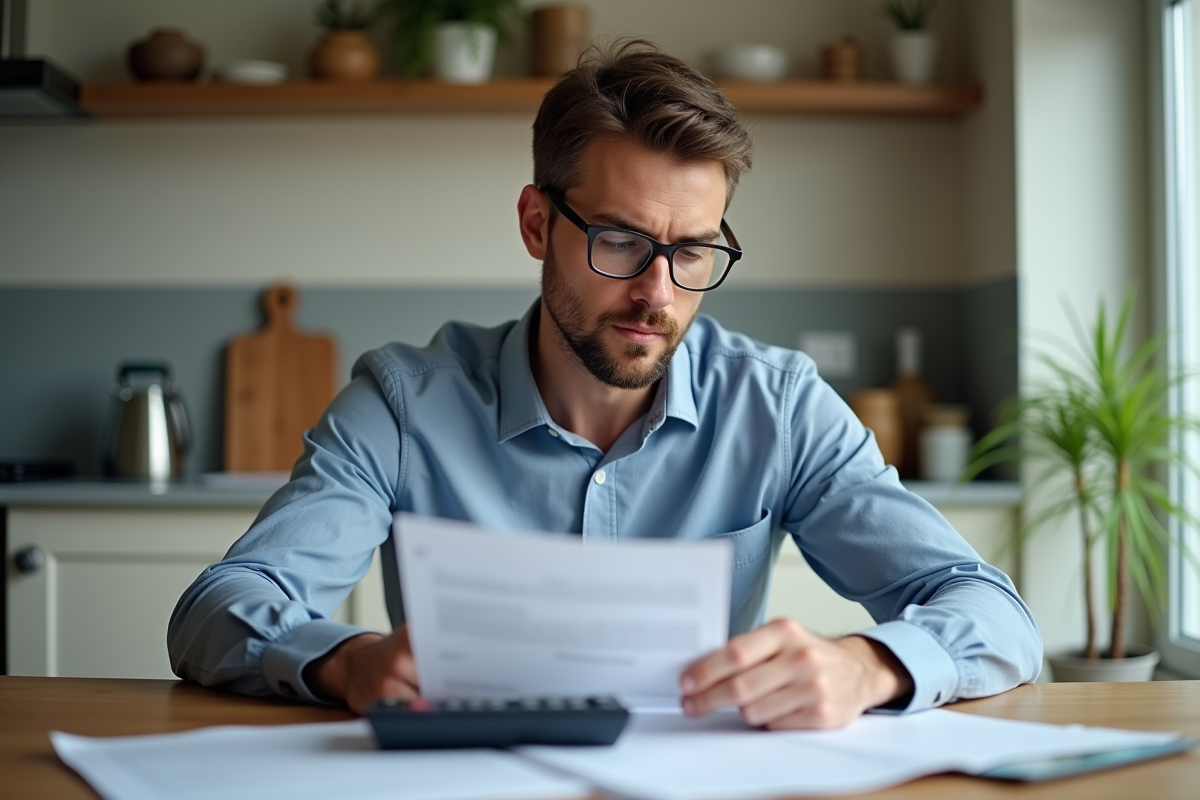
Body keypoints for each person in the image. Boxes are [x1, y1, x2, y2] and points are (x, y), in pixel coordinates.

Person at [169, 40, 1042, 730]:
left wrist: (869, 666)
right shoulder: (404, 404)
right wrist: (345, 660)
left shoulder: (778, 407)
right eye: (620, 241)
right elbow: (219, 609)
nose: (657, 294)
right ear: (536, 223)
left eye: (693, 251)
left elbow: (991, 613)